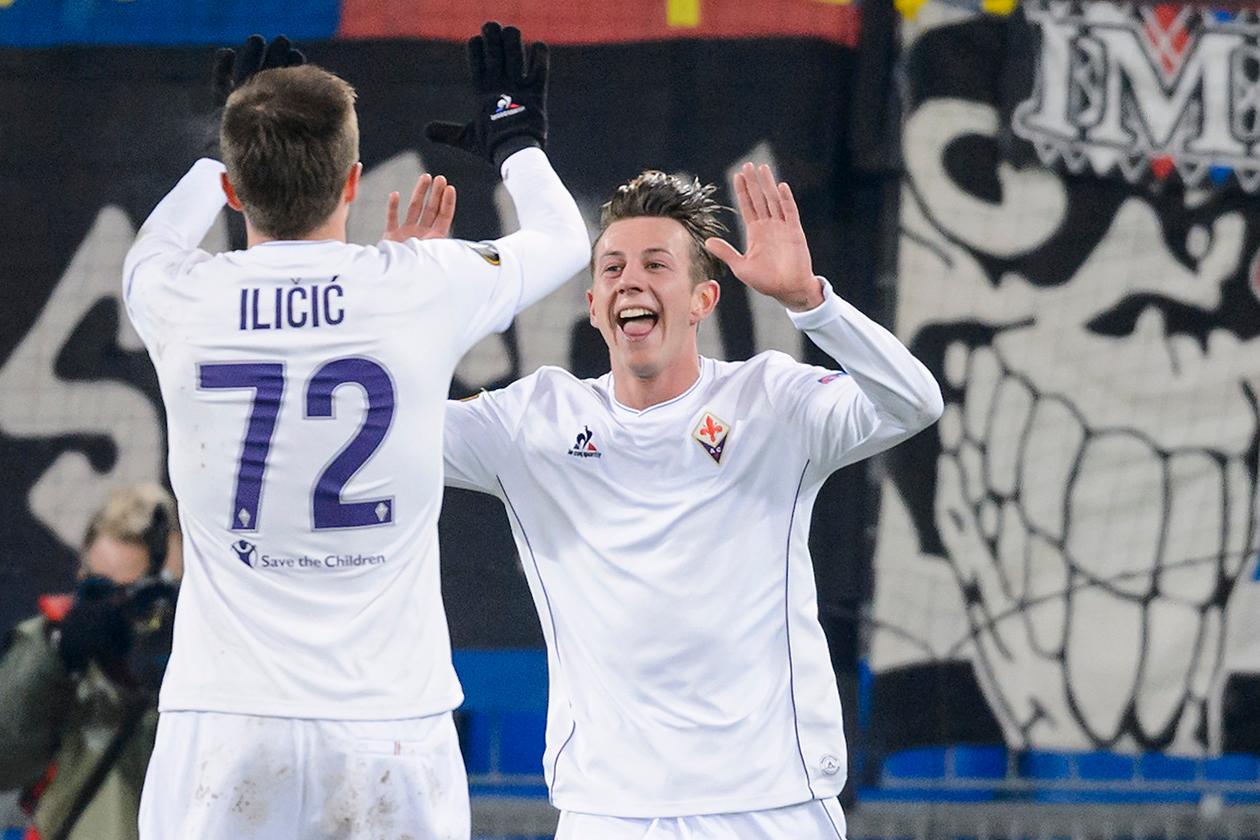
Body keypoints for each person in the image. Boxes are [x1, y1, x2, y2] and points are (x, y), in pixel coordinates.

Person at [121, 25, 587, 839]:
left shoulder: (175, 294)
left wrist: (215, 148)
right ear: (354, 183)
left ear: (234, 191)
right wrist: (516, 138)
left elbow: (152, 243)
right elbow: (564, 239)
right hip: (389, 724)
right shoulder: (417, 286)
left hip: (223, 722)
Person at [442, 163, 943, 838]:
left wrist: (812, 303)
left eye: (656, 264)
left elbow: (914, 403)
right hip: (607, 812)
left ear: (704, 300)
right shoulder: (532, 422)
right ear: (593, 305)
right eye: (612, 267)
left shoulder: (773, 401)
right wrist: (414, 321)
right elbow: (386, 432)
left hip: (770, 805)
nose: (631, 281)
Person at [0, 483, 180, 840]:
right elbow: (7, 764)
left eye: (143, 596)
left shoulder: (213, 654)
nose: (122, 611)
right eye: (103, 592)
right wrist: (58, 660)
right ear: (81, 576)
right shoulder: (52, 643)